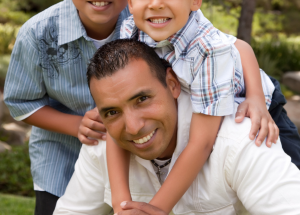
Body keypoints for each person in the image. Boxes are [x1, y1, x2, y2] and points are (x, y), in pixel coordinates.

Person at [105, 0, 294, 213]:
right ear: (130, 1)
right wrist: (120, 204)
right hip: (204, 88)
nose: (156, 3)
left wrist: (157, 208)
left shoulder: (208, 50)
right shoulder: (130, 31)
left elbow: (202, 142)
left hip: (261, 99)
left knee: (286, 180)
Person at [53, 39, 300, 215]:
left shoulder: (240, 139)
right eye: (112, 111)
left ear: (172, 84)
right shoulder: (103, 140)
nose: (134, 127)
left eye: (142, 99)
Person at [3, 0, 132, 215]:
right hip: (61, 163)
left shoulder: (144, 27)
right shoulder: (37, 33)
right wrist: (77, 126)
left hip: (132, 162)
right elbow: (20, 102)